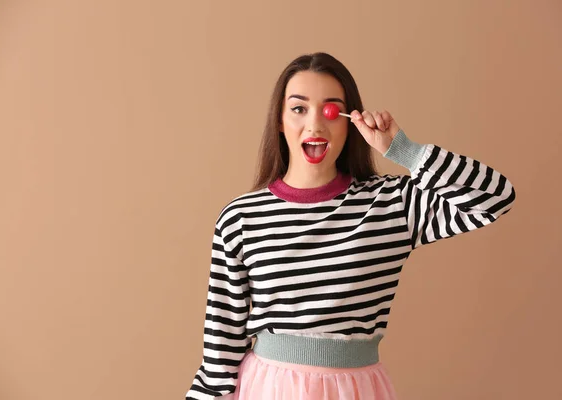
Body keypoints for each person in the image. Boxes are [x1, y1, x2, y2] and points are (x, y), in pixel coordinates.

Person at [185, 52, 516, 400]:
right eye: (299, 108)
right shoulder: (241, 218)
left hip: (357, 390)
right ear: (280, 121)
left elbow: (495, 197)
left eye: (330, 110)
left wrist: (404, 151)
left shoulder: (391, 204)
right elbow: (219, 359)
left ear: (350, 121)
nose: (314, 125)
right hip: (267, 390)